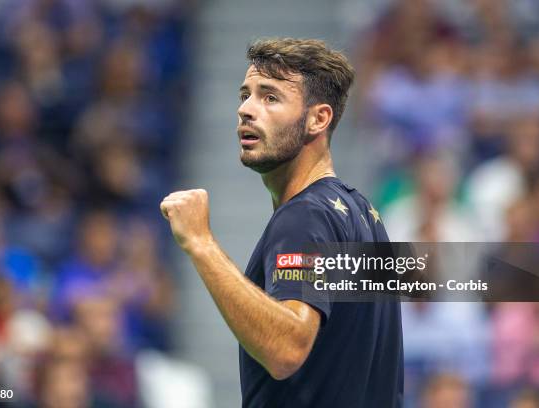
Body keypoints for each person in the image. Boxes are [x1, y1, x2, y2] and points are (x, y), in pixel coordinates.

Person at [160, 38, 403, 407]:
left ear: (318, 118)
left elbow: (287, 348)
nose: (246, 109)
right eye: (246, 95)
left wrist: (200, 243)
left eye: (270, 97)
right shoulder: (363, 214)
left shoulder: (305, 217)